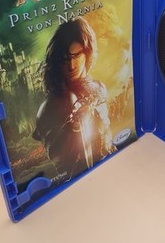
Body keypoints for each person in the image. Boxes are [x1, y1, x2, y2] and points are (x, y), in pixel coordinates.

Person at [32, 17, 116, 180]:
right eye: (65, 59)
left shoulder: (99, 87)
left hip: (109, 166)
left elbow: (106, 133)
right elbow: (55, 154)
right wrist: (73, 127)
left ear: (87, 52)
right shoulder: (54, 102)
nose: (71, 66)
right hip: (79, 180)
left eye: (76, 55)